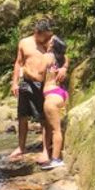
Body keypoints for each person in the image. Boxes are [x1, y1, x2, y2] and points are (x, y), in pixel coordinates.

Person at [8, 19, 68, 166]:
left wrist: (64, 68)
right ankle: (21, 147)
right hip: (26, 82)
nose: (49, 37)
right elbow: (18, 62)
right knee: (22, 115)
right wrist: (15, 82)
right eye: (46, 34)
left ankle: (46, 150)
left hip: (42, 83)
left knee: (44, 117)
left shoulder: (50, 45)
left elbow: (64, 57)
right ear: (38, 32)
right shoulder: (24, 42)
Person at [39, 34, 68, 170]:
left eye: (50, 40)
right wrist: (64, 68)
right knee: (54, 128)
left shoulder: (47, 57)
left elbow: (38, 74)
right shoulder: (62, 58)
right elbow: (67, 61)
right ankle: (53, 156)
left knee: (56, 130)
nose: (48, 40)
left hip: (51, 96)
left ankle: (56, 159)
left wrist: (25, 71)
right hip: (60, 93)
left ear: (52, 44)